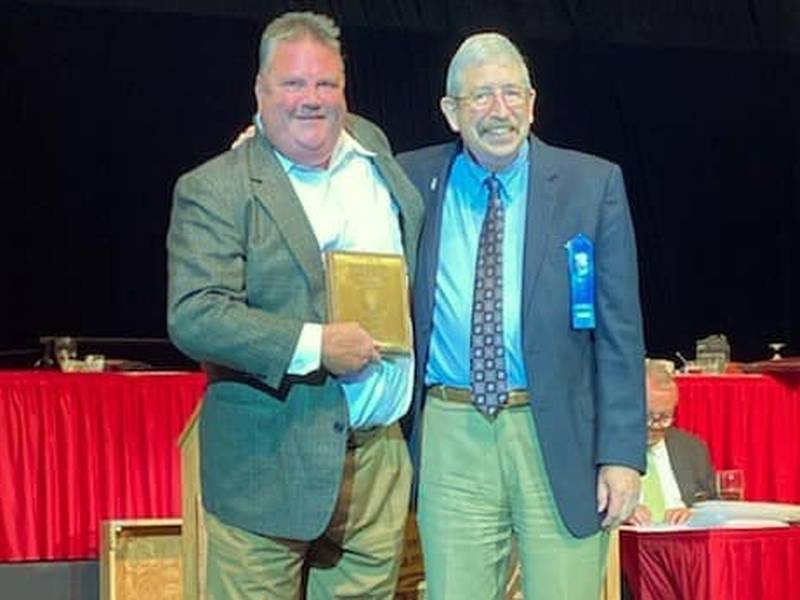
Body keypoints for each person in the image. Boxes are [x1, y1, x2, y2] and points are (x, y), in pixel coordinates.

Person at [167, 12, 423, 599]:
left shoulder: (372, 151)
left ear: (345, 89)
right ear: (260, 91)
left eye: (326, 84)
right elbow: (194, 312)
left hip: (377, 460)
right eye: (293, 84)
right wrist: (316, 344)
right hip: (270, 463)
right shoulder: (216, 187)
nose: (312, 99)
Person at [399, 32, 646, 599]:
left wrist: (621, 455)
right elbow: (332, 163)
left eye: (513, 93)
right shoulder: (408, 180)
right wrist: (259, 140)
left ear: (533, 104)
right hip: (450, 428)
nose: (500, 110)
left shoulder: (592, 184)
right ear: (450, 111)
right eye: (481, 96)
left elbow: (620, 333)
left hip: (557, 431)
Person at [627, 359, 716, 526]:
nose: (655, 426)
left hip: (681, 545)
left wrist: (694, 515)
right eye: (647, 416)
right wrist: (619, 512)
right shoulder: (600, 447)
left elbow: (712, 507)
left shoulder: (692, 448)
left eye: (665, 417)